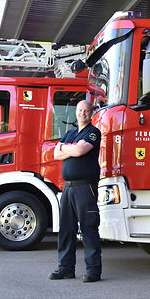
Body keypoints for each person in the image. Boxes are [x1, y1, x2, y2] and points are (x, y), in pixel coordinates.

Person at [50, 99, 102, 282]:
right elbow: (55, 154)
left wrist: (66, 147)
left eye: (86, 111)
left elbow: (80, 151)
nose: (82, 113)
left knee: (88, 227)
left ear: (90, 113)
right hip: (68, 188)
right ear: (76, 113)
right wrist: (69, 147)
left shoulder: (93, 133)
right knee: (66, 229)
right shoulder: (71, 133)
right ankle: (65, 268)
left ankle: (93, 270)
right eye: (80, 110)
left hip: (85, 187)